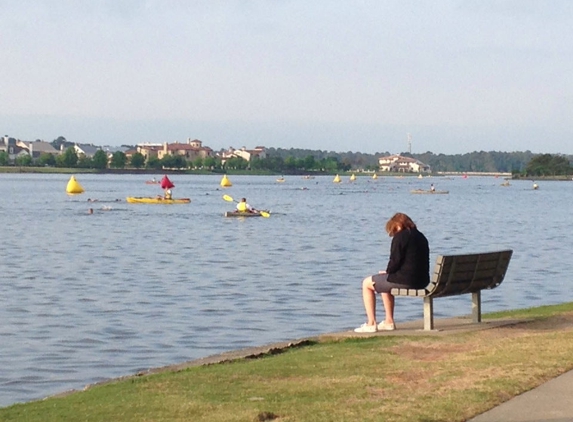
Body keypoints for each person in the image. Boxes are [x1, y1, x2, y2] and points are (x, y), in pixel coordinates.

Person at [354, 213, 430, 333]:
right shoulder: (421, 236)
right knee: (384, 280)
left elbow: (395, 261)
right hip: (422, 280)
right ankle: (388, 321)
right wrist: (388, 273)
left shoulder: (400, 237)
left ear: (397, 226)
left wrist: (388, 271)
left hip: (406, 280)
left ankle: (371, 323)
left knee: (366, 284)